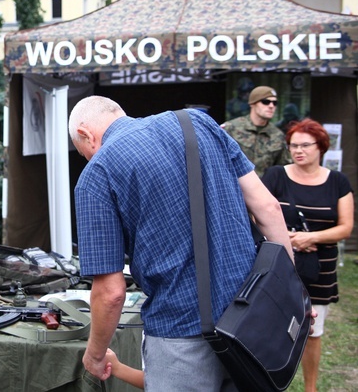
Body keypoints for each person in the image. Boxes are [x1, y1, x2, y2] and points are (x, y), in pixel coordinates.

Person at [68, 96, 292, 390]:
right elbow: (268, 209)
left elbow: (110, 293)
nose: (87, 159)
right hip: (249, 318)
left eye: (83, 152)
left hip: (178, 335)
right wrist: (288, 293)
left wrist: (95, 356)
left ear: (85, 134)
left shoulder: (96, 175)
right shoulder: (197, 122)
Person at [261, 119, 354, 392]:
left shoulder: (337, 181)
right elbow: (258, 213)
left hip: (320, 269)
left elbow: (345, 227)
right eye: (293, 145)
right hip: (281, 265)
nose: (298, 150)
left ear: (321, 146)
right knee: (273, 328)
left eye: (305, 145)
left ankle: (310, 388)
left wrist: (310, 237)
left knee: (313, 332)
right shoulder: (277, 175)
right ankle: (269, 383)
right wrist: (290, 239)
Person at [222, 85, 291, 177]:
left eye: (275, 103)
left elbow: (283, 168)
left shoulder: (277, 135)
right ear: (252, 104)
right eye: (265, 102)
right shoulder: (231, 128)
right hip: (235, 187)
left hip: (264, 188)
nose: (271, 106)